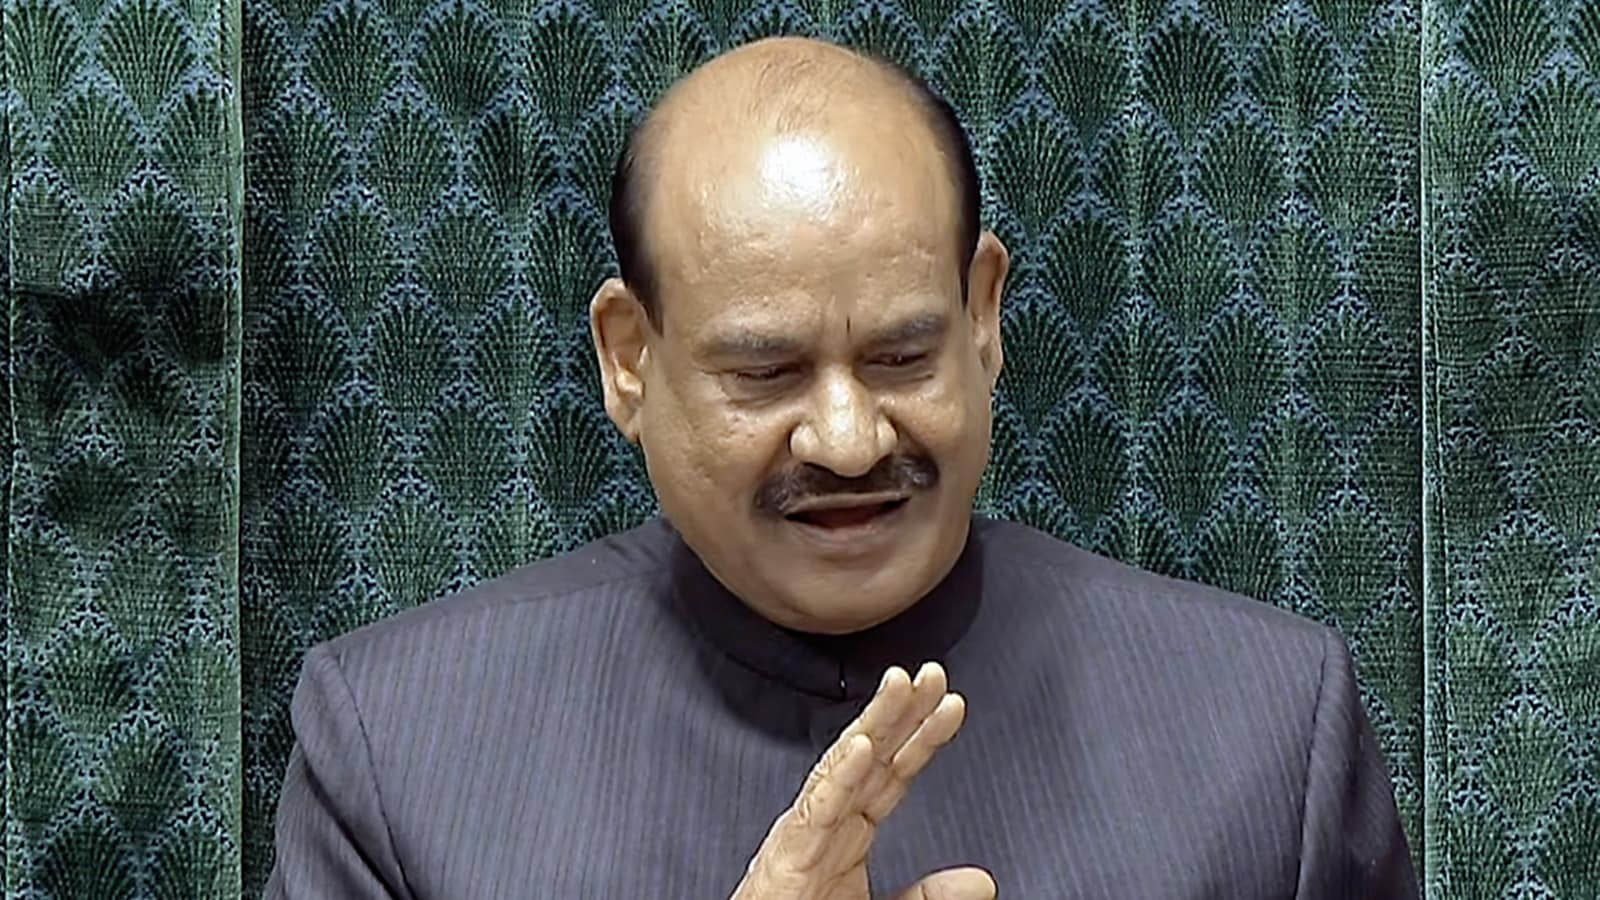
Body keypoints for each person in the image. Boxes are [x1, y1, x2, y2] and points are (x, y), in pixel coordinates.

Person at [265, 35, 1419, 899]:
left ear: (982, 317)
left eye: (901, 357)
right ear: (629, 359)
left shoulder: (1265, 728)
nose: (850, 438)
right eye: (765, 373)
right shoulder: (401, 749)